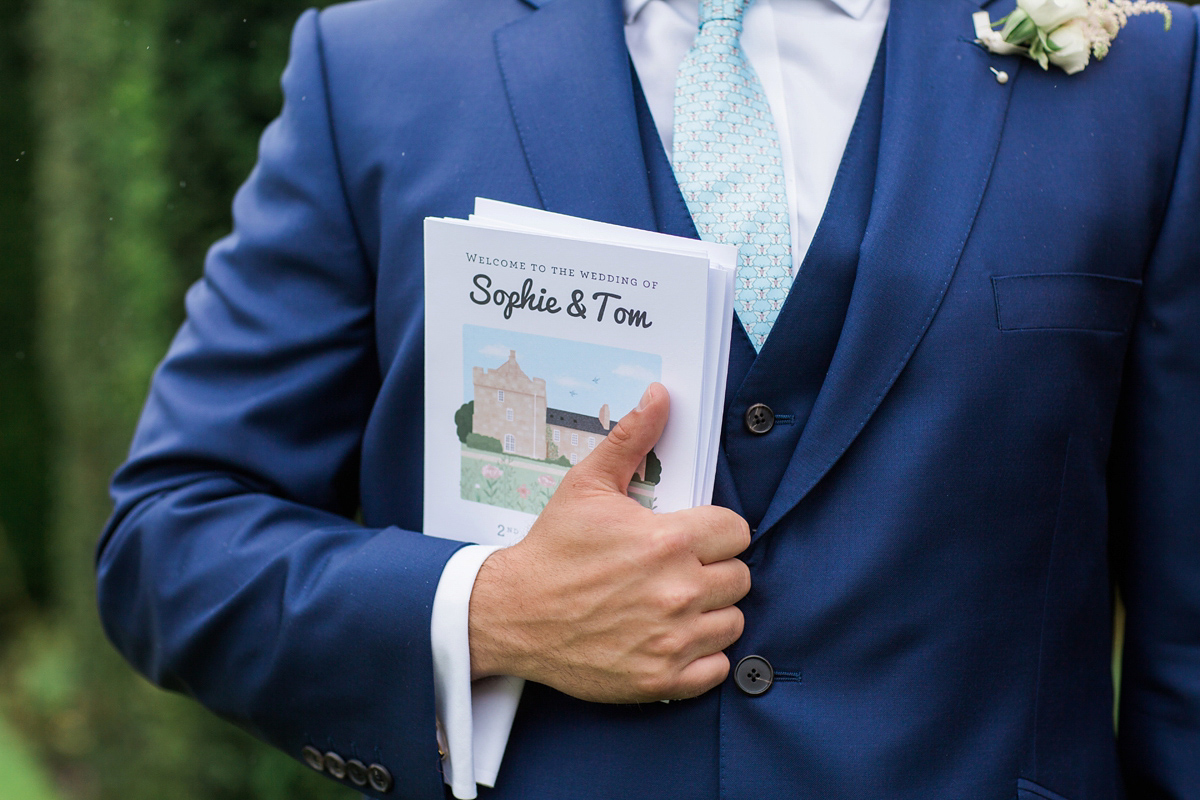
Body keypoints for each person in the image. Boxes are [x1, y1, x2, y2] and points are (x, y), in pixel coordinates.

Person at [97, 0, 1200, 797]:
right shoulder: (378, 64)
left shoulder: (1148, 69)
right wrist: (490, 611)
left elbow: (1185, 630)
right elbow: (171, 537)